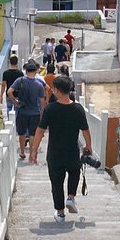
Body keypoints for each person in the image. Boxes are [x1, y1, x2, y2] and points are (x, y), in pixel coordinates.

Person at [28, 75, 91, 222]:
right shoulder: (78, 109)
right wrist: (88, 145)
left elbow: (40, 131)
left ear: (56, 90)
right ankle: (70, 197)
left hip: (54, 153)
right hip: (72, 151)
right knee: (74, 172)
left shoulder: (50, 109)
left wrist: (34, 150)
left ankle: (61, 213)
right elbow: (85, 130)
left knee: (56, 182)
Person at [8, 59, 47, 158]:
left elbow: (9, 92)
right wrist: (42, 113)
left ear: (26, 71)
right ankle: (31, 154)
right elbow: (43, 102)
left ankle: (22, 152)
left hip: (22, 111)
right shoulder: (39, 85)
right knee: (33, 134)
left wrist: (14, 101)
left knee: (22, 133)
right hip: (34, 112)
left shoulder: (20, 80)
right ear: (35, 71)